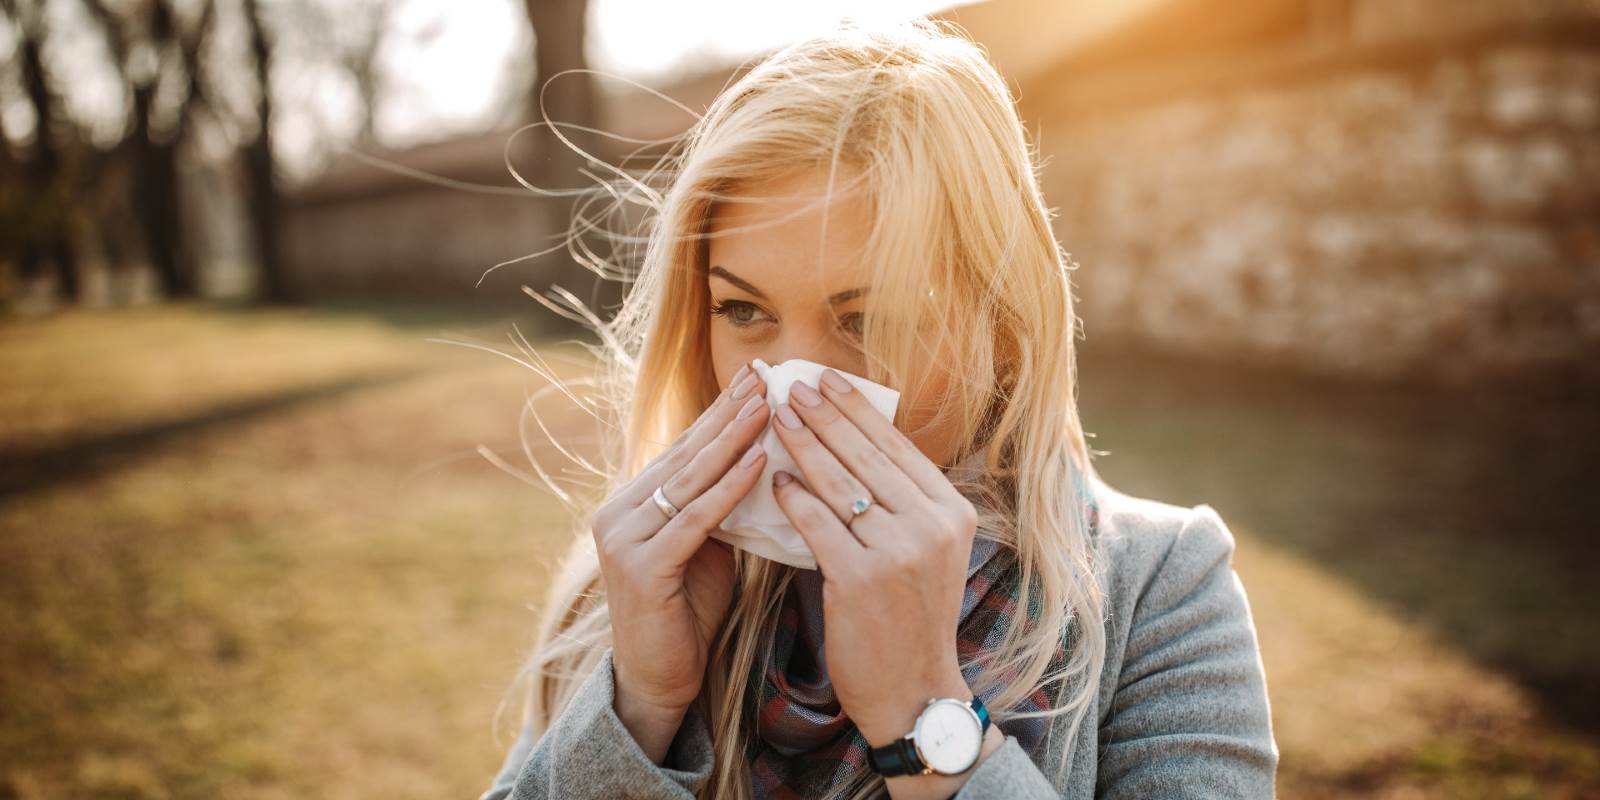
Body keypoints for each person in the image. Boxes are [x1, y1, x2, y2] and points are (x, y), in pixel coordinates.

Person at [478, 16, 1277, 800]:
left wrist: (922, 712)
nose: (794, 386)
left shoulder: (1159, 591)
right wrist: (641, 708)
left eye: (867, 321)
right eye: (743, 312)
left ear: (1004, 327)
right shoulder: (628, 582)